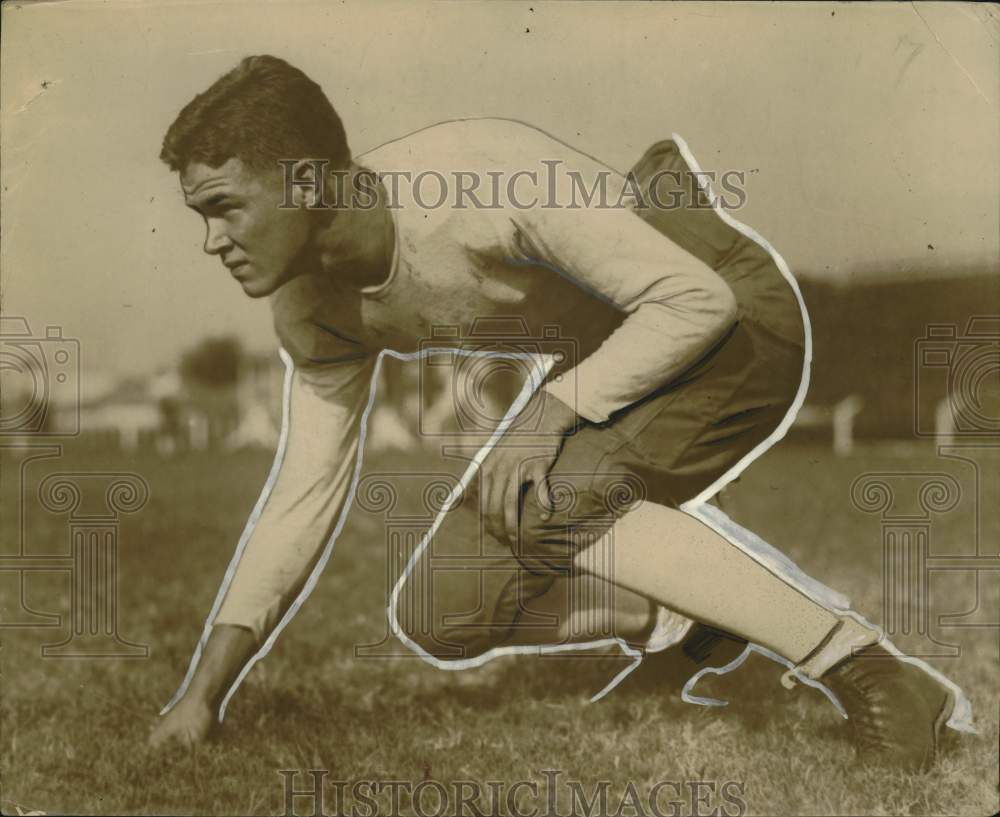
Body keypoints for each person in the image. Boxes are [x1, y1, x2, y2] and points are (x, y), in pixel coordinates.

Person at [148, 55, 970, 771]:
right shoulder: (307, 306)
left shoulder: (476, 176)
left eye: (225, 206)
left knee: (548, 501)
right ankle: (684, 616)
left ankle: (873, 673)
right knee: (441, 610)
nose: (212, 240)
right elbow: (301, 492)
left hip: (733, 320)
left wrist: (551, 414)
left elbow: (694, 299)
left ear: (309, 180)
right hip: (621, 356)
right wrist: (202, 695)